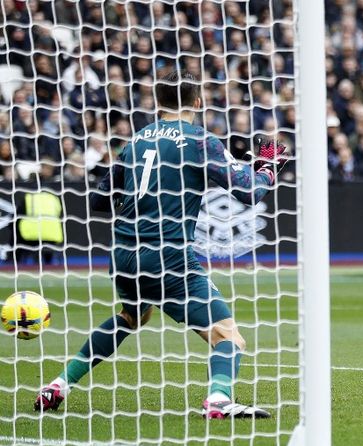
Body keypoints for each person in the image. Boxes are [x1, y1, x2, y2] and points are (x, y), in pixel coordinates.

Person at [35, 71, 288, 419]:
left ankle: (59, 385)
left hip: (123, 254)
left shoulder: (136, 140)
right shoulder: (201, 140)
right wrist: (266, 169)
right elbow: (248, 191)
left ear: (158, 103)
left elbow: (98, 200)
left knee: (132, 316)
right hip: (168, 256)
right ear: (197, 102)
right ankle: (218, 400)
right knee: (228, 336)